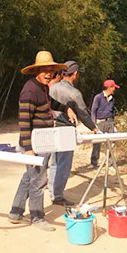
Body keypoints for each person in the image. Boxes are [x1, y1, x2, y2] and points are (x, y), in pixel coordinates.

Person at [7, 51, 77, 232]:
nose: (48, 74)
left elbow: (50, 104)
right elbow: (23, 121)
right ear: (36, 71)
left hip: (43, 142)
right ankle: (38, 217)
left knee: (29, 178)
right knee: (38, 181)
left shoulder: (43, 88)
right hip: (33, 145)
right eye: (44, 70)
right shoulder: (29, 90)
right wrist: (29, 149)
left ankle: (15, 213)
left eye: (50, 70)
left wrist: (66, 109)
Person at [48, 61, 98, 205]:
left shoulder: (52, 87)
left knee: (54, 162)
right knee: (64, 164)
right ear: (75, 74)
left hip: (51, 126)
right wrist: (94, 128)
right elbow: (83, 114)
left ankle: (52, 190)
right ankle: (57, 196)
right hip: (65, 128)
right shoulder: (74, 93)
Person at [90, 79, 120, 167]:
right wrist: (94, 125)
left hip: (110, 122)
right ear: (109, 88)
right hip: (100, 122)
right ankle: (94, 162)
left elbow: (112, 112)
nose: (115, 89)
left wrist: (114, 125)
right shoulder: (98, 97)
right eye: (114, 87)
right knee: (97, 143)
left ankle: (110, 162)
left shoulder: (112, 99)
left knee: (110, 143)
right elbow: (93, 111)